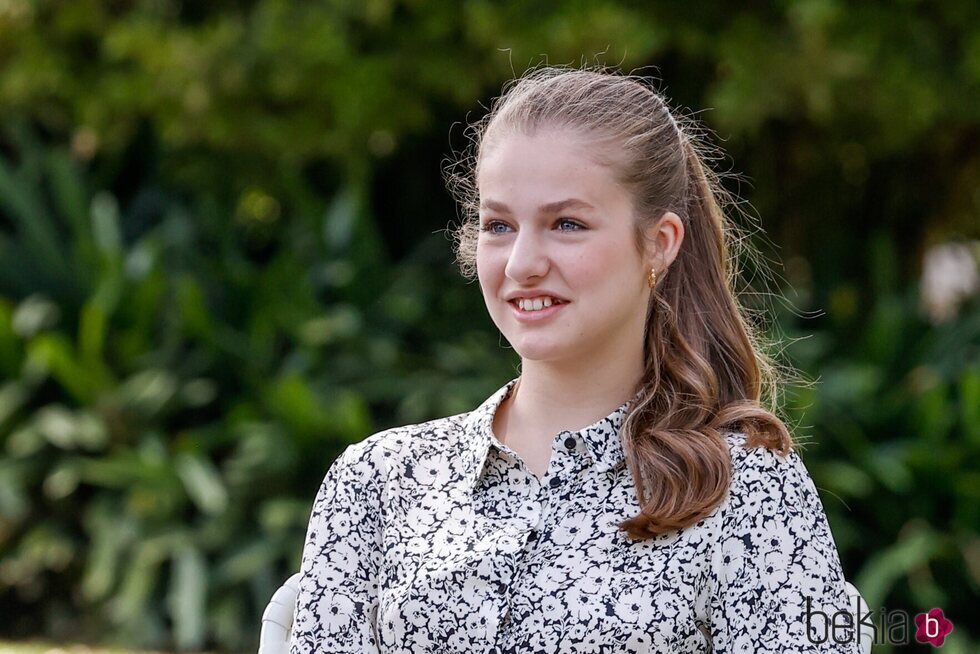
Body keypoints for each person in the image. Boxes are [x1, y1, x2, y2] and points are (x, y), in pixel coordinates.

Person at [288, 66, 860, 653]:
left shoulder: (746, 490)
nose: (521, 264)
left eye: (566, 224)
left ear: (660, 242)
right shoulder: (377, 482)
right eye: (499, 225)